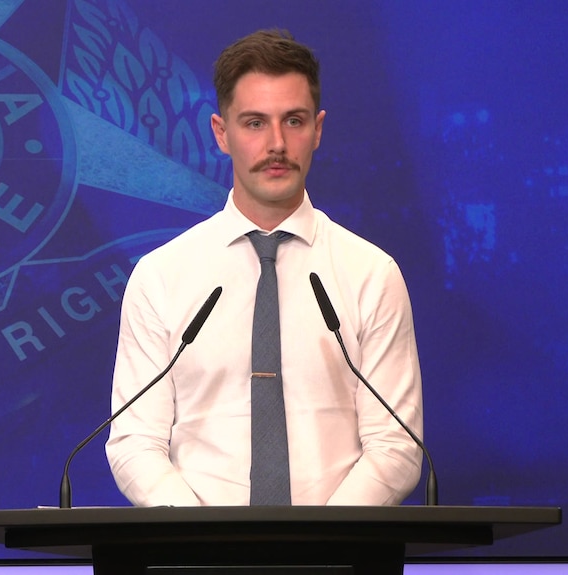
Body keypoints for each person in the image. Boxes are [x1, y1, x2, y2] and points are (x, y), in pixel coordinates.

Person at [106, 29, 423, 506]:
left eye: (293, 121)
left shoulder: (371, 274)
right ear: (221, 133)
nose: (277, 143)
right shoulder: (161, 277)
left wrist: (317, 545)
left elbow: (395, 446)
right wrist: (205, 543)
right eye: (254, 123)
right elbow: (134, 441)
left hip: (338, 557)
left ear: (317, 129)